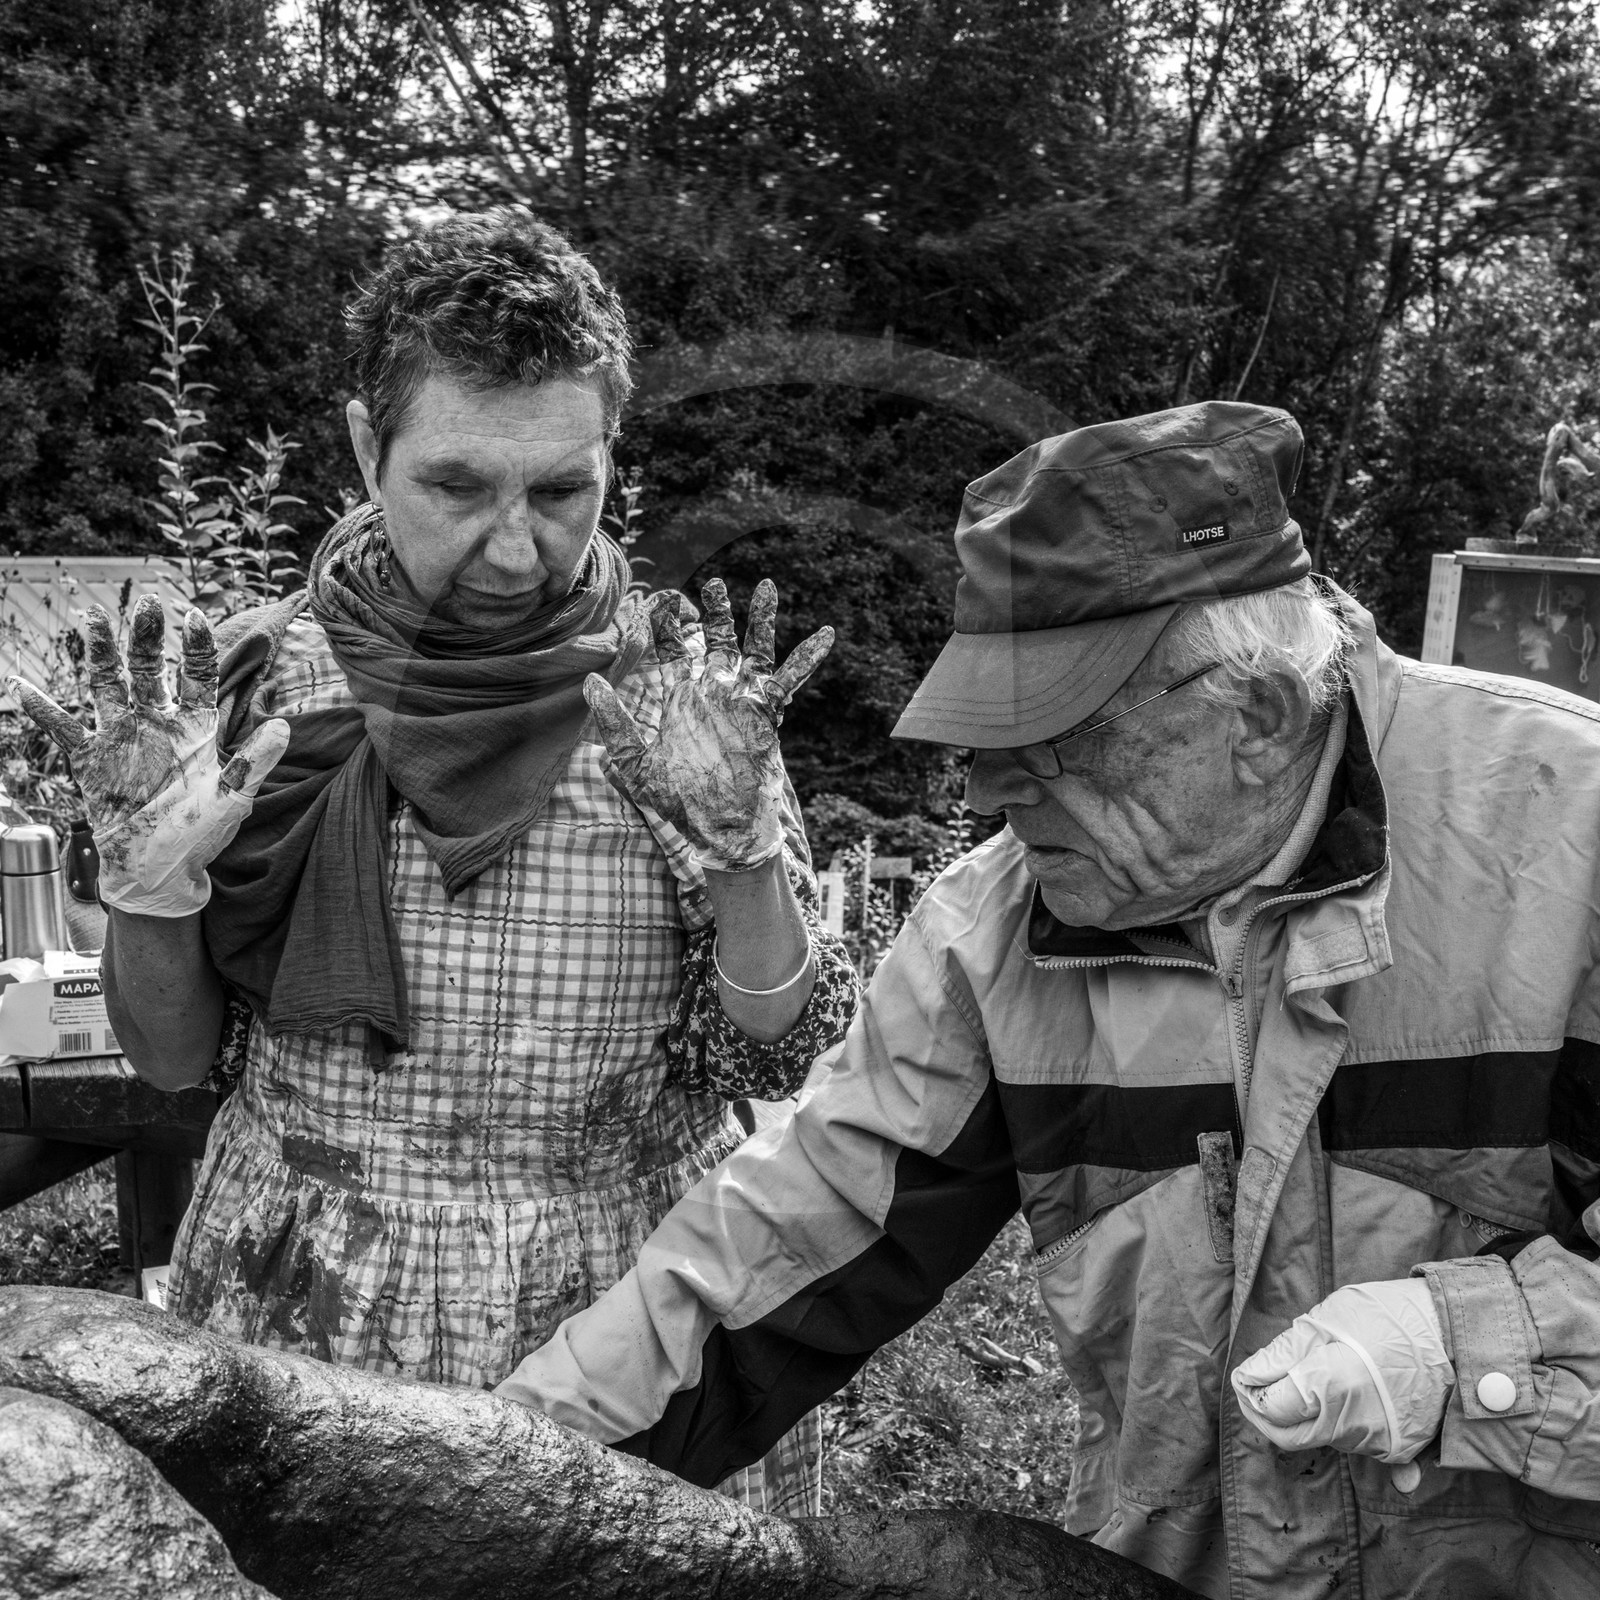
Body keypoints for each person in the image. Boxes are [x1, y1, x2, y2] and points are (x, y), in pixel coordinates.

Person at [496, 400, 1600, 1596]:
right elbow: (774, 1250)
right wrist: (480, 1476)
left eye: (1053, 731)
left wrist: (1467, 1345)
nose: (985, 788)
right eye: (981, 732)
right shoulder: (992, 935)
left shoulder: (1571, 840)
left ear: (1259, 718)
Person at [11, 208, 858, 1516]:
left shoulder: (675, 708)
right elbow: (175, 1063)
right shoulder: (251, 696)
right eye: (457, 487)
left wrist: (746, 871)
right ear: (366, 448)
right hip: (310, 1323)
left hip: (627, 1331)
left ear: (609, 460)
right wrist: (145, 891)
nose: (514, 550)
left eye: (561, 492)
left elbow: (781, 1053)